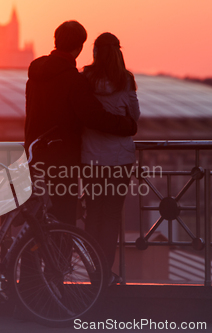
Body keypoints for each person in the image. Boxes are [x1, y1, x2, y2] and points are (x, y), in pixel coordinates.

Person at [24, 21, 137, 228]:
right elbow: (94, 116)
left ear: (56, 41)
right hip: (62, 159)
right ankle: (58, 261)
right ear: (79, 47)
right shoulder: (73, 80)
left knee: (35, 219)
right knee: (63, 219)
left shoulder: (35, 75)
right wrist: (127, 126)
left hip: (34, 155)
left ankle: (27, 260)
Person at [81, 32, 140, 283]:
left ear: (94, 52)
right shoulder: (125, 80)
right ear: (118, 52)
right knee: (112, 215)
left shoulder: (84, 79)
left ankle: (92, 269)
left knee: (93, 214)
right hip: (119, 160)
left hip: (91, 158)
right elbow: (134, 115)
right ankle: (105, 271)